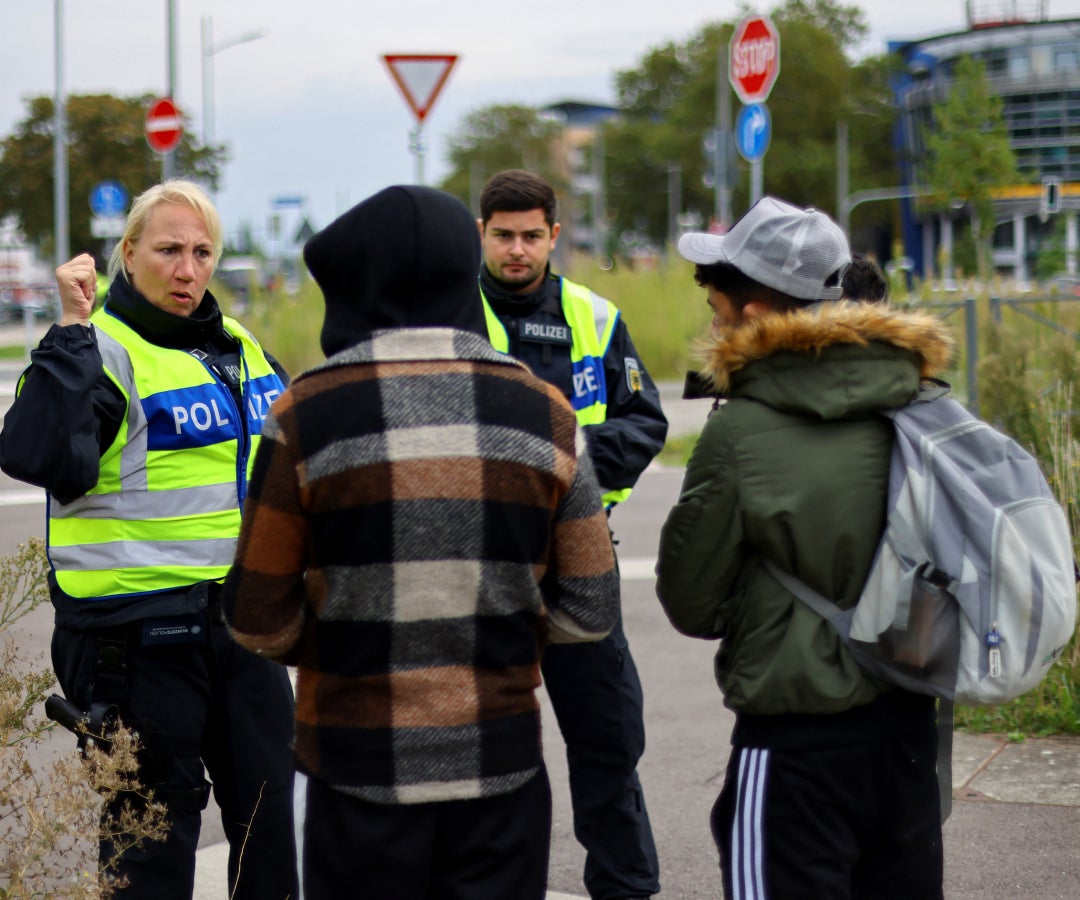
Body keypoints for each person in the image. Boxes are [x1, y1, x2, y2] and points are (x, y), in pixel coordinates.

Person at [221, 184, 620, 899]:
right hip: (501, 768)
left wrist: (344, 638)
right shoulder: (546, 414)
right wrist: (497, 637)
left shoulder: (305, 416)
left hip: (352, 769)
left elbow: (256, 615)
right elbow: (590, 607)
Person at [0, 180, 297, 900]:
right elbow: (40, 456)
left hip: (238, 628)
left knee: (269, 817)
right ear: (127, 254)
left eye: (202, 252)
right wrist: (69, 334)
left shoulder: (237, 347)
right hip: (134, 639)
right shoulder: (97, 350)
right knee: (152, 832)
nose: (187, 269)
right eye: (167, 250)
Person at [655, 197, 954, 899]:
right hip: (910, 731)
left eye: (715, 294)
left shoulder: (741, 433)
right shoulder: (918, 397)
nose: (710, 310)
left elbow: (691, 601)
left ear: (754, 314)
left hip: (794, 745)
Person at [476, 169, 666, 900]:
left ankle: (626, 888)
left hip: (581, 560)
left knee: (609, 739)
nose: (517, 250)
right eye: (503, 236)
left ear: (554, 235)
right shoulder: (450, 317)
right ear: (482, 234)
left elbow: (643, 422)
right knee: (486, 748)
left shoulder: (594, 314)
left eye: (531, 236)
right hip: (483, 569)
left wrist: (562, 463)